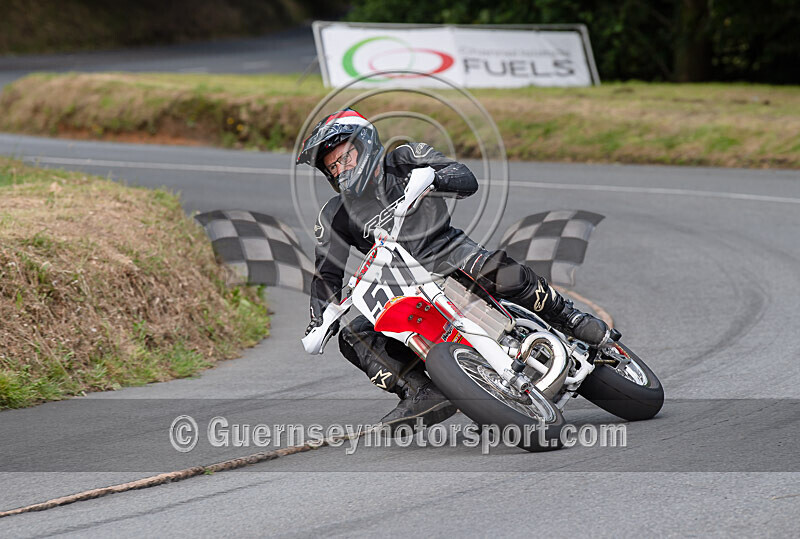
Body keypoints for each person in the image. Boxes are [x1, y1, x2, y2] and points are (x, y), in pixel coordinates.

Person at [297, 108, 614, 431]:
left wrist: (434, 178)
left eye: (345, 158)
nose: (341, 170)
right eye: (332, 166)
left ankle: (569, 317)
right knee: (355, 335)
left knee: (493, 269)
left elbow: (465, 178)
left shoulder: (405, 158)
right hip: (400, 286)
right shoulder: (334, 214)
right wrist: (319, 321)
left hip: (447, 253)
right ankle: (422, 392)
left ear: (364, 144)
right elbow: (327, 273)